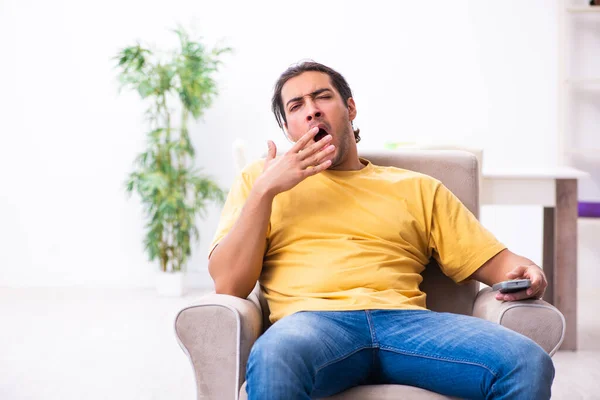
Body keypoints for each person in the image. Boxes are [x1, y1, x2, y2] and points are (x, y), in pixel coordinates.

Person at [207, 61, 554, 400]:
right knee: (274, 357)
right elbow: (229, 284)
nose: (311, 111)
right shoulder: (261, 181)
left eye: (322, 97)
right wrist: (264, 193)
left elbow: (500, 263)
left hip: (408, 324)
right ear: (287, 129)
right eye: (297, 106)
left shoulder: (416, 187)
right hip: (310, 324)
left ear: (350, 108)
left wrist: (528, 272)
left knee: (526, 362)